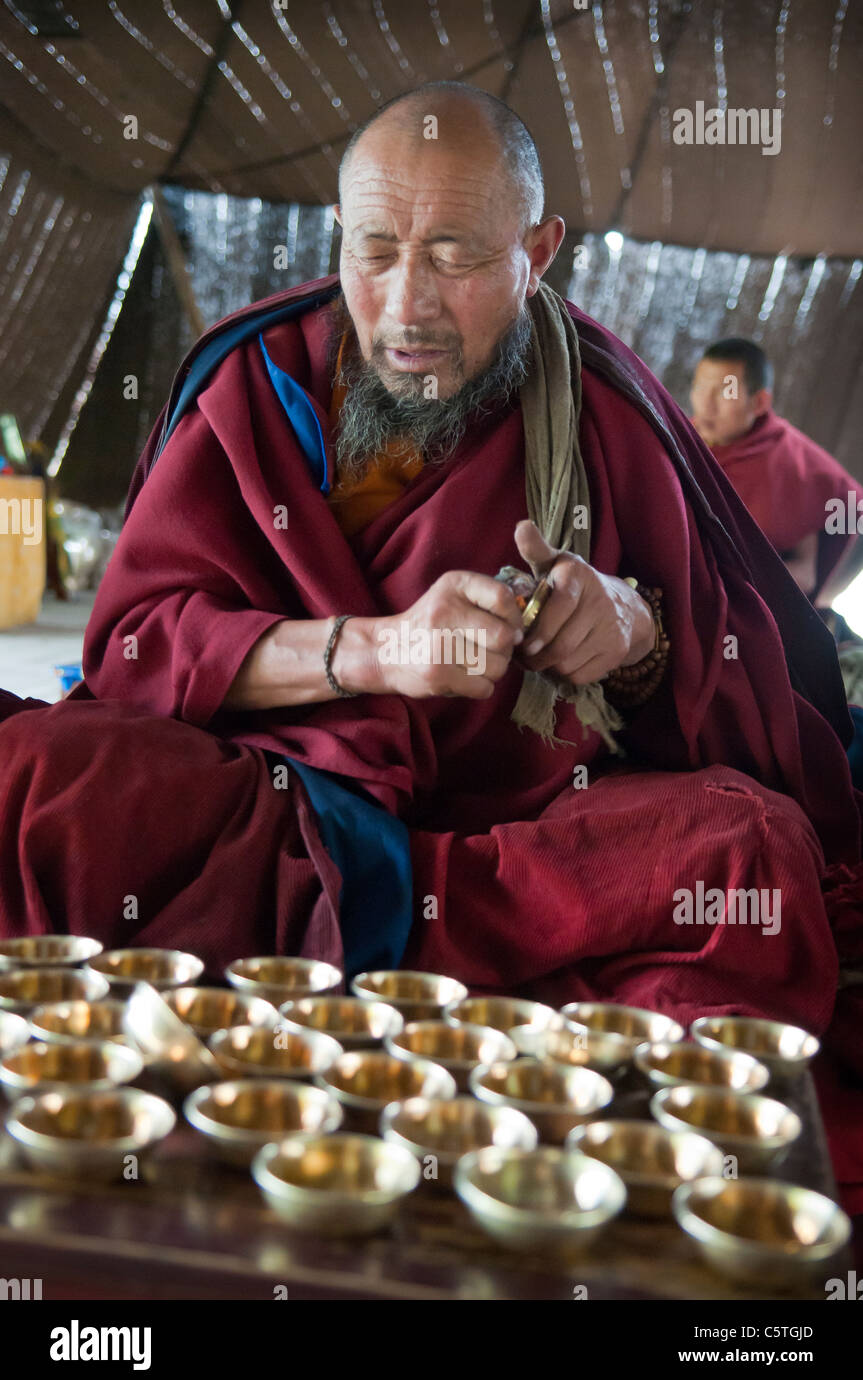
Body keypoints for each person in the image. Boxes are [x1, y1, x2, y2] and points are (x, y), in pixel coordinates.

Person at [1, 83, 862, 1215]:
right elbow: (136, 654)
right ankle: (453, 969)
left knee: (743, 851)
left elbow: (733, 687)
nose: (405, 303)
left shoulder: (603, 411)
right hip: (278, 809)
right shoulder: (255, 387)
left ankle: (376, 951)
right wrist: (366, 651)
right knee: (42, 774)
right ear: (339, 236)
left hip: (514, 830)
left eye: (454, 255)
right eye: (375, 249)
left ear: (537, 251)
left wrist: (630, 630)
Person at [690, 338, 863, 607]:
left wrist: (730, 585)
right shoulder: (680, 438)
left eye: (726, 392)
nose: (706, 405)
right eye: (701, 387)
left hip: (735, 602)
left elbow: (805, 574)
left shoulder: (791, 466)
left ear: (759, 402)